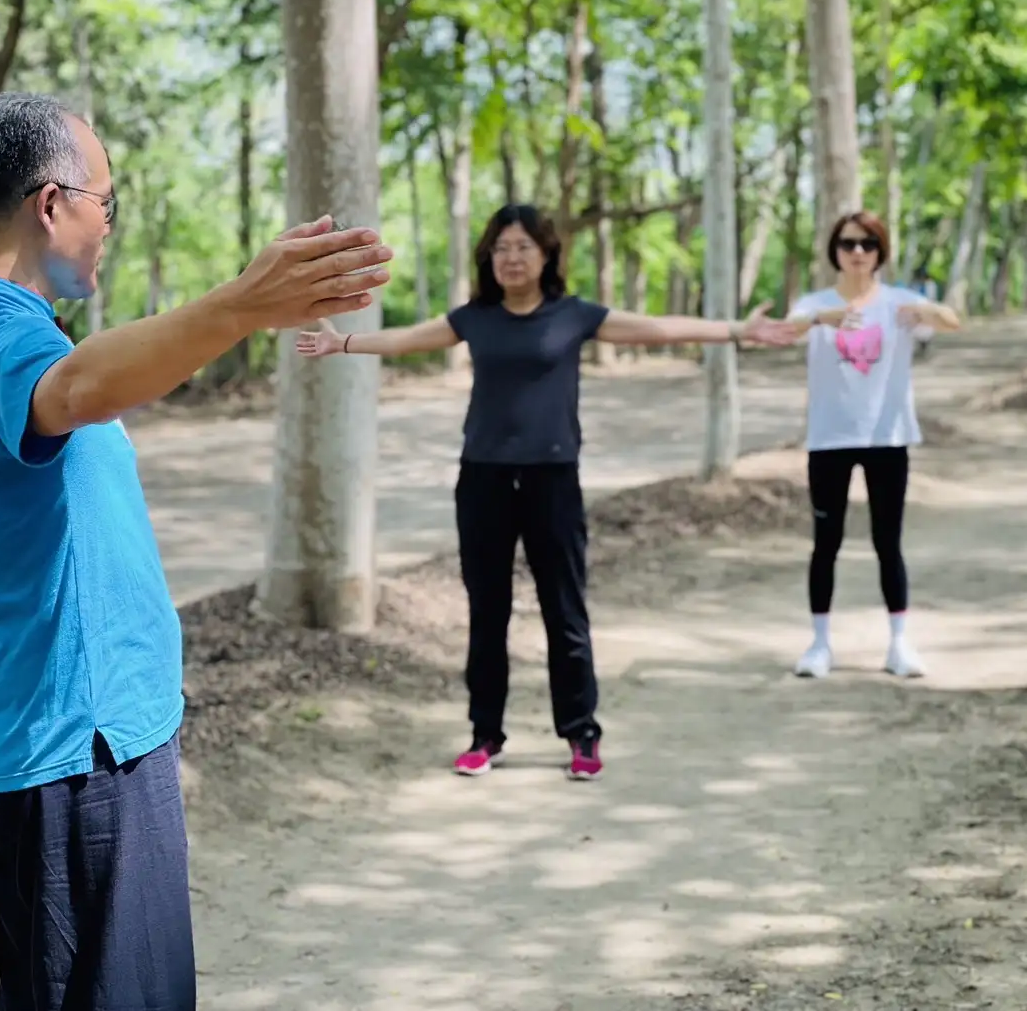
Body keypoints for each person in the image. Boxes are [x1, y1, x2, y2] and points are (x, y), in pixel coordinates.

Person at [0, 92, 391, 1009]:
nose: (108, 229)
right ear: (52, 204)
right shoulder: (6, 343)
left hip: (47, 737)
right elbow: (78, 388)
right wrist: (241, 304)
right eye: (106, 204)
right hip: (81, 745)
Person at [296, 203, 799, 781]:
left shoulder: (573, 315)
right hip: (483, 479)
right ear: (490, 257)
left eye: (523, 247)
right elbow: (412, 339)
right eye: (502, 248)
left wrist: (739, 331)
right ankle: (485, 735)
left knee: (566, 611)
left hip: (552, 480)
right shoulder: (475, 317)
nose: (511, 257)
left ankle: (581, 734)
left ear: (546, 255)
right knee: (488, 614)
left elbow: (657, 328)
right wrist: (343, 345)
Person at [786, 211, 960, 682]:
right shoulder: (815, 303)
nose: (857, 252)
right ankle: (820, 643)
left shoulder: (899, 302)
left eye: (867, 244)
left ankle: (899, 642)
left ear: (880, 251)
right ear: (835, 252)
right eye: (848, 244)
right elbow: (787, 329)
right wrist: (823, 317)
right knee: (827, 543)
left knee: (888, 541)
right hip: (830, 438)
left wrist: (926, 311)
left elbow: (951, 322)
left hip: (887, 437)